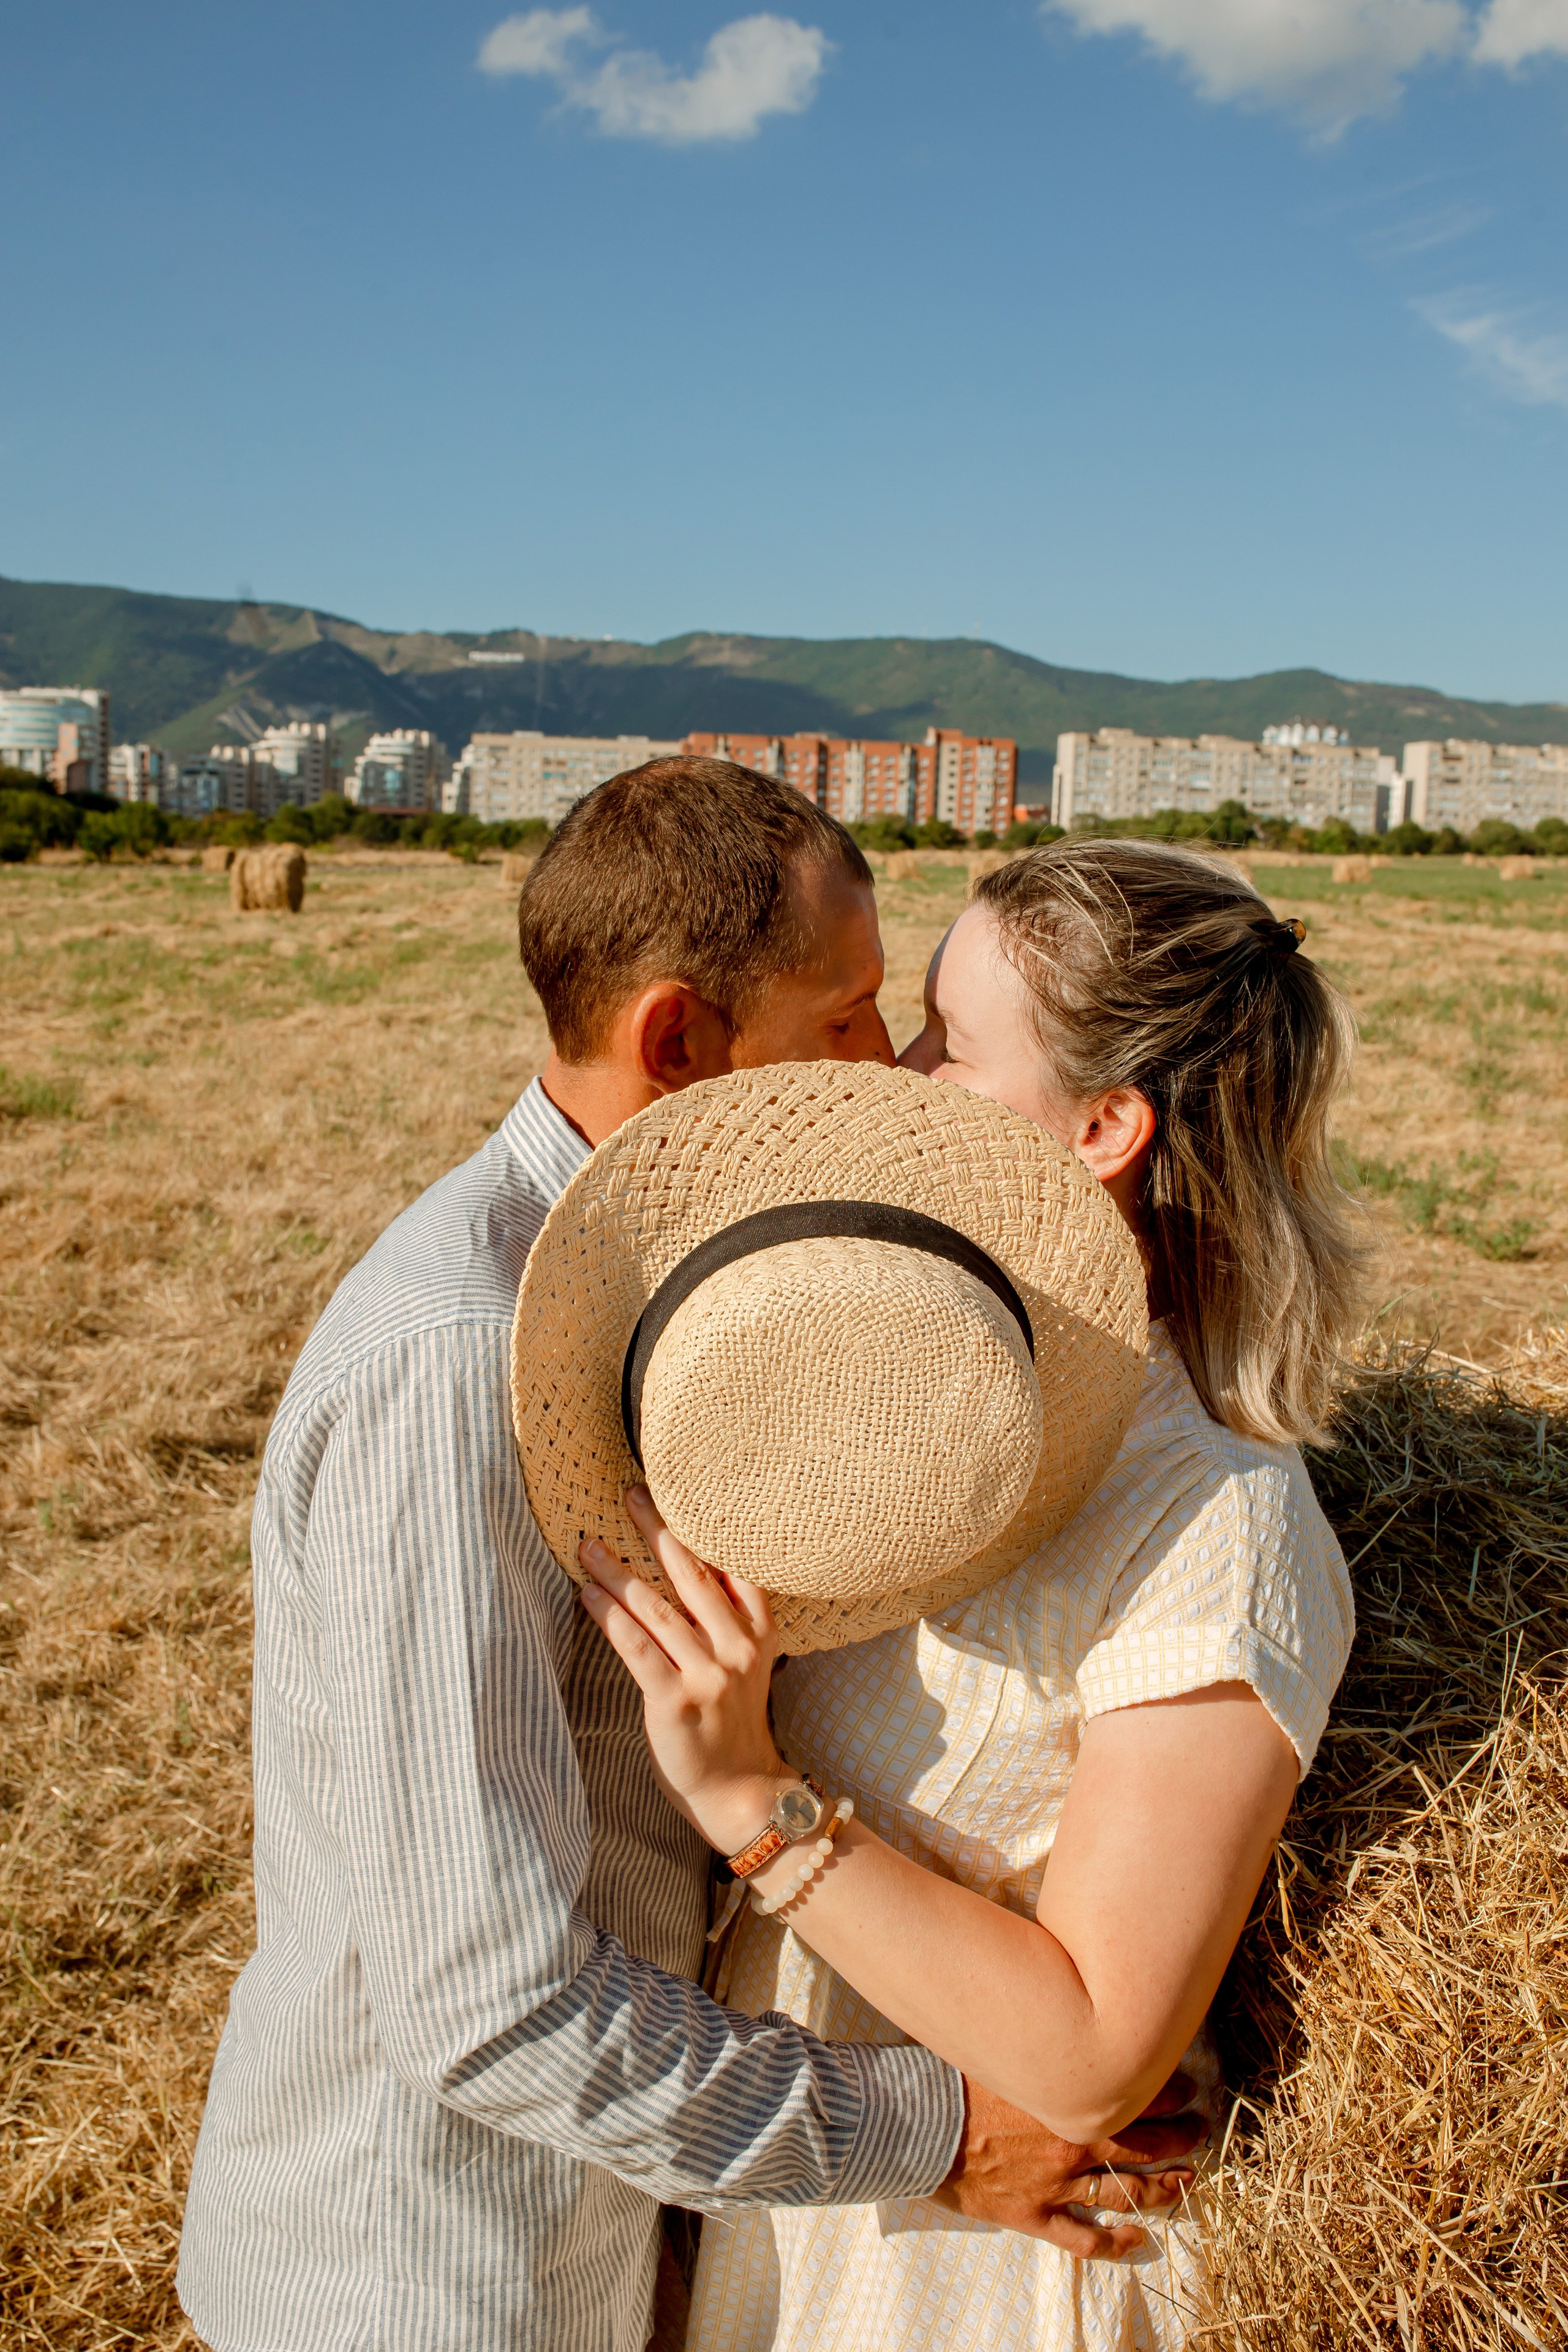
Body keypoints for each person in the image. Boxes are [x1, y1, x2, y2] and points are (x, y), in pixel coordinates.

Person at [177, 770, 1204, 2352]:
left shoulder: (676, 1303)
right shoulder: (454, 1373)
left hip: (575, 2246)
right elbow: (488, 1999)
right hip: (423, 2281)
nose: (887, 1069)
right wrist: (937, 2130)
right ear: (678, 1043)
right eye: (849, 1014)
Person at [578, 837, 1365, 2352]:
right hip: (813, 2196)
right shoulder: (908, 1398)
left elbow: (1087, 2060)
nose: (897, 1067)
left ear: (1103, 1130)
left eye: (949, 1040)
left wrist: (753, 1802)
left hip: (980, 2283)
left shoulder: (1215, 1521)